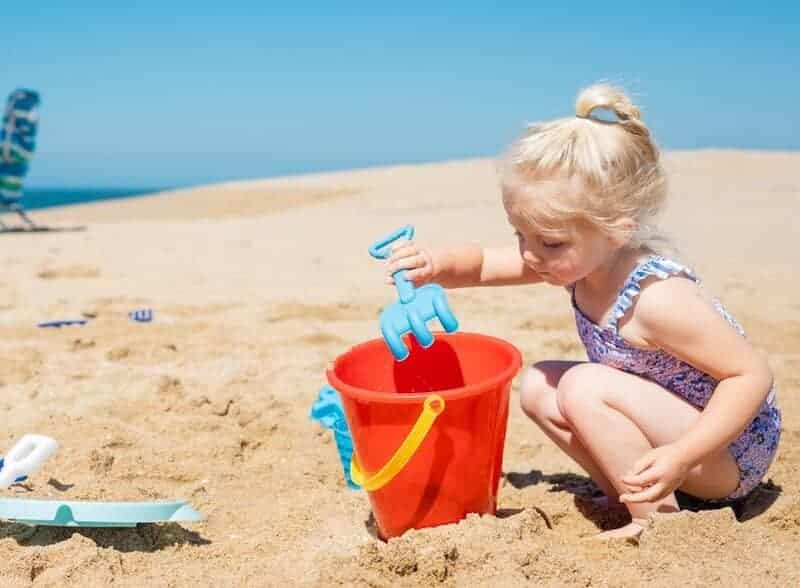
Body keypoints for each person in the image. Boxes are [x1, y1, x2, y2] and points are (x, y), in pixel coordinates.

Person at [385, 83, 781, 539]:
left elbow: (750, 375)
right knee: (538, 386)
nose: (530, 255)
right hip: (680, 436)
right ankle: (628, 488)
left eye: (549, 242)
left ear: (618, 229)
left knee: (582, 386)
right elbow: (486, 264)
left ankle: (659, 520)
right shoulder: (579, 260)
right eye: (521, 235)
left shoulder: (657, 299)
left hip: (728, 453)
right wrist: (433, 265)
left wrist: (685, 454)